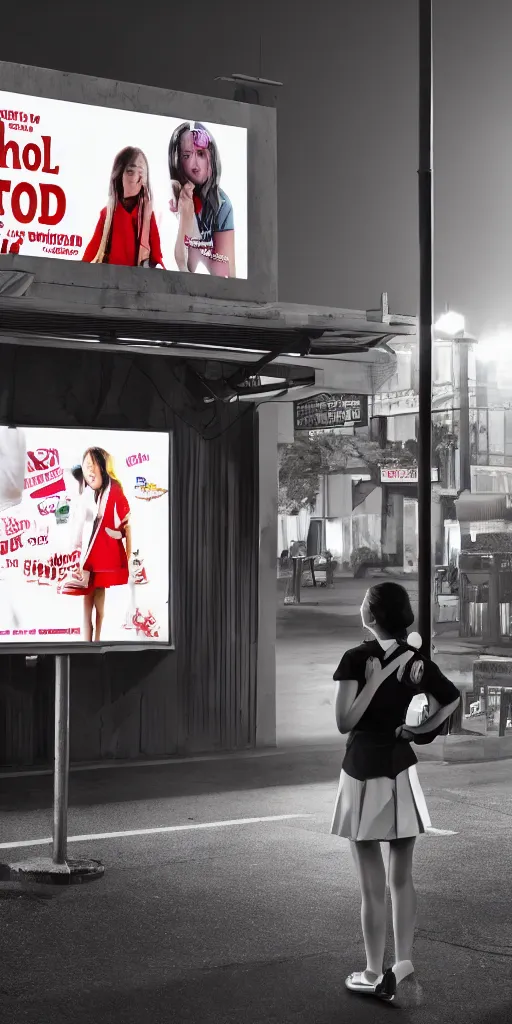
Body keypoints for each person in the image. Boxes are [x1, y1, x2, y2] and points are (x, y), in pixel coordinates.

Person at [331, 582, 460, 1004]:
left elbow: (345, 722)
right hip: (401, 769)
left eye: (364, 601)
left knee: (372, 885)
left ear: (371, 615)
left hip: (363, 772)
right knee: (402, 878)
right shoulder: (415, 660)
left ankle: (372, 971)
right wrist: (417, 731)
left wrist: (372, 681)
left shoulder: (356, 659)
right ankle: (403, 964)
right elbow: (451, 699)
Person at [62, 448, 132, 642]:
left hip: (100, 558)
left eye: (93, 466)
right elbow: (78, 529)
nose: (90, 471)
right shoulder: (86, 497)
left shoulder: (110, 492)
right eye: (86, 467)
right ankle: (88, 641)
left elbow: (124, 526)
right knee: (88, 602)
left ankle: (96, 640)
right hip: (88, 557)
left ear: (103, 467)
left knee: (97, 603)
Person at [168, 122, 235, 277]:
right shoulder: (174, 198)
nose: (194, 165)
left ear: (210, 157)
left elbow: (226, 272)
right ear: (178, 161)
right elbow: (185, 265)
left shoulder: (222, 204)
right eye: (186, 155)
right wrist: (186, 215)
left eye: (200, 154)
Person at [82, 147, 164, 268]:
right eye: (131, 171)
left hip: (137, 282)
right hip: (111, 280)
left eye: (142, 172)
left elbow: (156, 258)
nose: (138, 178)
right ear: (119, 175)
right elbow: (90, 253)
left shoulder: (148, 214)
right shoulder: (107, 214)